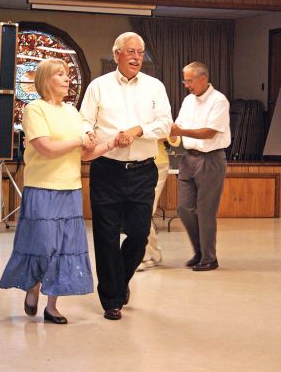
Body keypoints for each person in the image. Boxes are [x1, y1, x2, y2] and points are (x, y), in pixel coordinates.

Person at [0, 58, 118, 324]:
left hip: (70, 188)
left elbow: (85, 153)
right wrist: (80, 139)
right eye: (60, 74)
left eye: (67, 74)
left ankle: (52, 306)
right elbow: (47, 148)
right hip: (42, 188)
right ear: (45, 80)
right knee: (43, 245)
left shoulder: (72, 112)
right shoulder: (34, 109)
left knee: (65, 247)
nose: (67, 79)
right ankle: (33, 286)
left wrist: (109, 144)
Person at [80, 32, 173, 320]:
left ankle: (119, 281)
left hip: (143, 171)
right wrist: (87, 133)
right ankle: (112, 300)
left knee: (138, 234)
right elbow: (84, 119)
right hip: (106, 169)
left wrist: (139, 130)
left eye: (140, 52)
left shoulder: (155, 87)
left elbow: (165, 123)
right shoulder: (98, 86)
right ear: (117, 54)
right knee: (106, 237)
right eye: (130, 51)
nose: (136, 57)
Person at [171, 61, 231, 271]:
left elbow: (209, 132)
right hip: (188, 158)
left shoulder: (218, 101)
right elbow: (177, 126)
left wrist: (179, 132)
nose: (186, 85)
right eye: (184, 80)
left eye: (189, 80)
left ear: (203, 79)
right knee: (184, 208)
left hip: (211, 159)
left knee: (206, 211)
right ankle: (199, 251)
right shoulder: (188, 100)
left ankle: (209, 258)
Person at [137, 136, 180, 271]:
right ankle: (154, 254)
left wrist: (144, 133)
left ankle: (142, 256)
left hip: (157, 163)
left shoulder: (158, 113)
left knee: (143, 210)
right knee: (138, 210)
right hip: (131, 163)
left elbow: (175, 138)